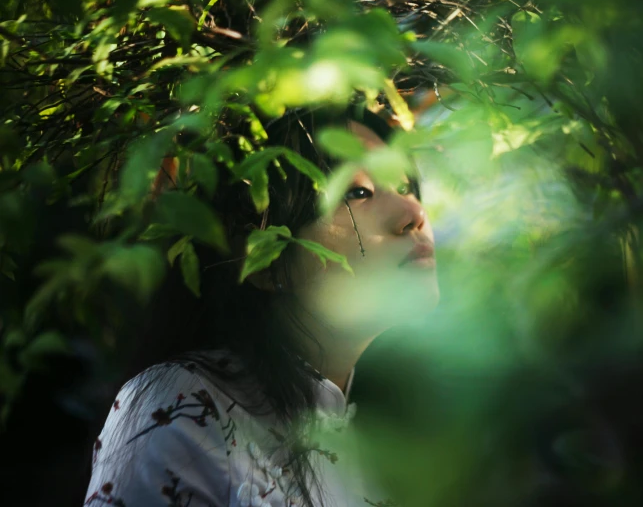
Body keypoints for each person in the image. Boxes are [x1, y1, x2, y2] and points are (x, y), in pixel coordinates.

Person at [83, 107, 440, 507]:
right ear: (262, 259)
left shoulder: (390, 441)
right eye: (356, 191)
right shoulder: (186, 406)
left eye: (406, 186)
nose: (415, 214)